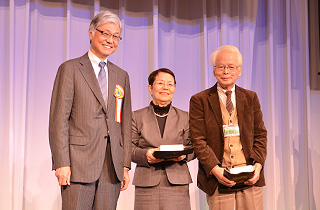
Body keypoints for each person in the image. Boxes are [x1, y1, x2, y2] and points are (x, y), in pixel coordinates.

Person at [49, 10, 132, 210]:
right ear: (91, 33)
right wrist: (61, 162)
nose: (110, 40)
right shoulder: (70, 69)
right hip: (78, 165)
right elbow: (59, 120)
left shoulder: (121, 75)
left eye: (116, 36)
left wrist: (125, 165)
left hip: (112, 167)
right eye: (105, 33)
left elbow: (125, 123)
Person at [189, 45, 267, 210]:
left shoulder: (251, 97)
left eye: (231, 67)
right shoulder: (199, 100)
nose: (226, 71)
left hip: (249, 176)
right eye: (221, 67)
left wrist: (258, 166)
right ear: (213, 71)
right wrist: (215, 170)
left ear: (239, 71)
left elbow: (260, 135)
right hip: (219, 178)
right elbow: (198, 139)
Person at [131, 68, 195, 210]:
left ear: (174, 88)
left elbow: (194, 147)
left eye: (170, 84)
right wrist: (146, 155)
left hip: (177, 181)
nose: (165, 87)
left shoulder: (185, 117)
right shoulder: (136, 116)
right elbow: (128, 148)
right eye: (160, 83)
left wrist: (185, 155)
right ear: (150, 88)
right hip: (146, 182)